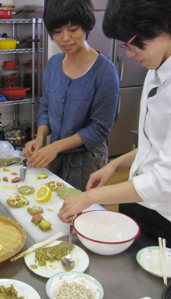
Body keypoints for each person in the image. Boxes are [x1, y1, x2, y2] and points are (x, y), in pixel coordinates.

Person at [58, 0, 171, 268]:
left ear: (161, 26)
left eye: (131, 43)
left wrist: (88, 197)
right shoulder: (158, 66)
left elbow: (166, 182)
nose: (128, 53)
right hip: (139, 202)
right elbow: (157, 142)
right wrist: (115, 164)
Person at [22, 0, 119, 191]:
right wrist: (40, 138)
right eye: (57, 32)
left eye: (73, 29)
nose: (65, 38)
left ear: (86, 25)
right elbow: (46, 109)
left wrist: (55, 146)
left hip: (87, 165)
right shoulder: (53, 64)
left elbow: (99, 129)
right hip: (55, 159)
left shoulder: (105, 72)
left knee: (83, 216)